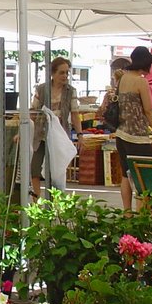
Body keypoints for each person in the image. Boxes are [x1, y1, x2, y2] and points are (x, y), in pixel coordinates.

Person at [115, 46, 152, 212]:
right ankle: (148, 211)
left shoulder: (123, 79)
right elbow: (148, 110)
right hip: (137, 136)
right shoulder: (141, 81)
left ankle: (127, 212)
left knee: (126, 174)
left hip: (121, 133)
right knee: (146, 174)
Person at [27, 56, 83, 199]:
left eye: (67, 73)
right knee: (34, 168)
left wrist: (80, 134)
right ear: (53, 73)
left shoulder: (71, 91)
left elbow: (75, 114)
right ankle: (36, 200)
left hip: (59, 135)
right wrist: (24, 131)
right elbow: (33, 111)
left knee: (56, 170)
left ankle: (55, 201)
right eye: (61, 72)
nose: (65, 76)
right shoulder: (42, 89)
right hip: (40, 134)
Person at [95, 56, 131, 126]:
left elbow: (102, 109)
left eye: (114, 79)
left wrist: (99, 111)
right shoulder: (129, 93)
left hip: (111, 124)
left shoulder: (110, 94)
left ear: (116, 79)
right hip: (125, 125)